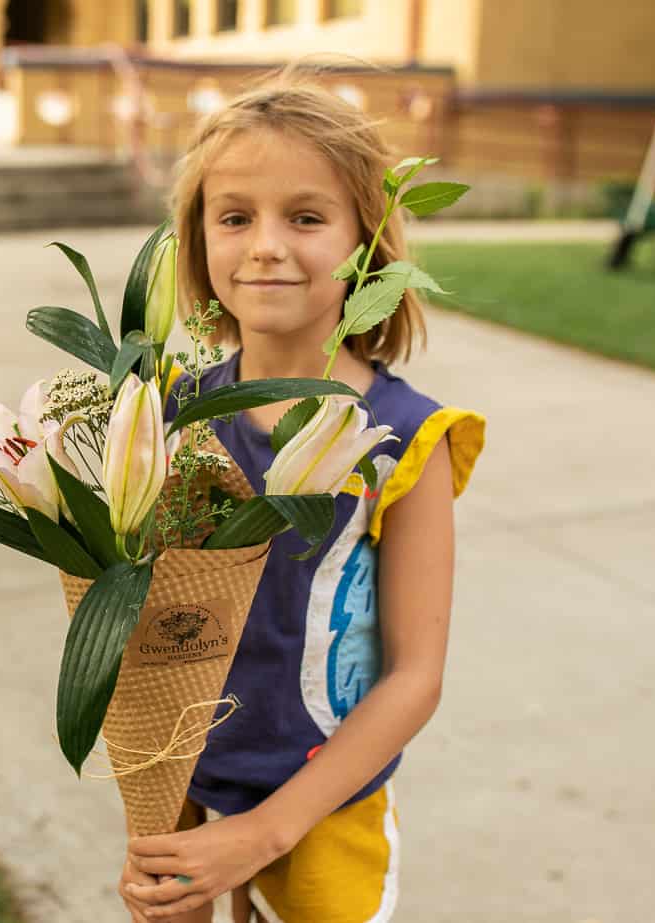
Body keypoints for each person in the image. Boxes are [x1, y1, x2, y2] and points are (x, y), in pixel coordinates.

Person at [119, 74, 486, 923]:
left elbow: (414, 678)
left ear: (368, 246)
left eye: (307, 217)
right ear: (197, 240)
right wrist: (154, 815)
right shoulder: (167, 413)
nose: (265, 246)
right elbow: (146, 630)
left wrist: (267, 832)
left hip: (322, 804)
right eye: (235, 216)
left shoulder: (405, 439)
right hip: (181, 781)